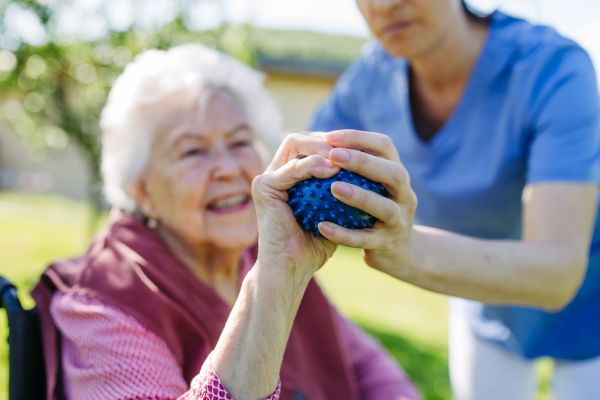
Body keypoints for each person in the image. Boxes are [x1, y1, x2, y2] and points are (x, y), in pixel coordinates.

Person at [31, 44, 420, 400]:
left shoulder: (263, 251)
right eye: (193, 151)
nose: (229, 168)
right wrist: (276, 279)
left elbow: (369, 370)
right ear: (143, 190)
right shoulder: (100, 302)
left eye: (238, 142)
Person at [310, 1, 600, 399]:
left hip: (590, 302)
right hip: (480, 296)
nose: (384, 5)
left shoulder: (552, 67)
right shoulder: (369, 80)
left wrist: (406, 249)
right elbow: (299, 166)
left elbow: (559, 272)